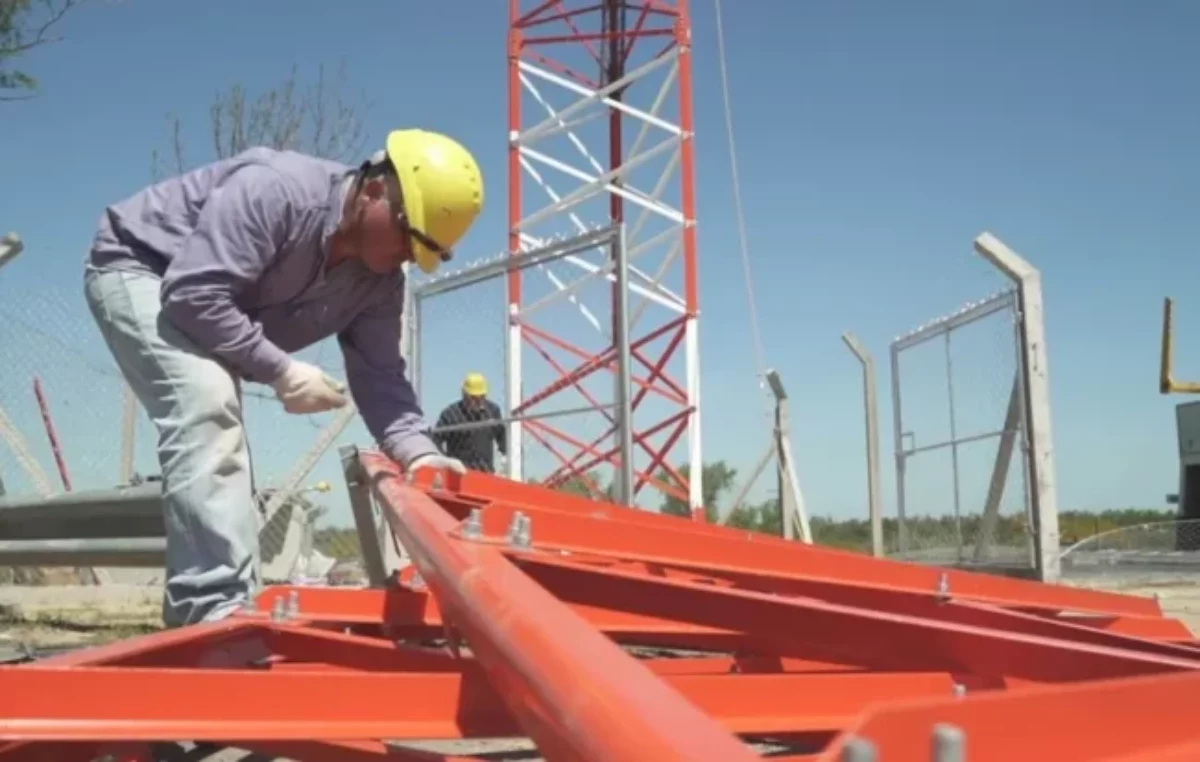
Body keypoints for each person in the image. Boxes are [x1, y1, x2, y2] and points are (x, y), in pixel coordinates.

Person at [83, 129, 483, 628]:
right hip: (145, 268)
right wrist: (282, 370)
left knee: (220, 415)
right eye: (409, 235)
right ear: (377, 189)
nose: (409, 256)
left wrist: (420, 453)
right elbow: (194, 295)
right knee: (207, 398)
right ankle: (210, 612)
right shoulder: (277, 191)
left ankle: (233, 600)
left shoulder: (379, 280)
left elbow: (382, 378)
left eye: (426, 252)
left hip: (205, 298)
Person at [431, 372, 507, 474]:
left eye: (482, 397)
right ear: (464, 395)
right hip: (459, 473)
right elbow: (435, 439)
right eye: (474, 398)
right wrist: (445, 461)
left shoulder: (492, 410)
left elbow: (501, 435)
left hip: (485, 472)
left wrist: (505, 455)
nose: (479, 401)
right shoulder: (451, 414)